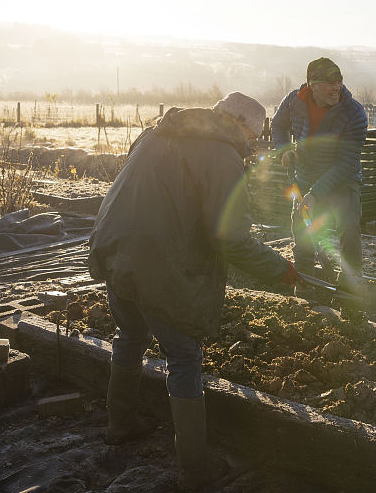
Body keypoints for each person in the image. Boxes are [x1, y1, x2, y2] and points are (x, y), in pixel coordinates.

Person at [87, 92, 300, 489]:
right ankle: (194, 471)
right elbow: (231, 238)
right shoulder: (222, 156)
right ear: (239, 125)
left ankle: (120, 425)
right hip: (155, 260)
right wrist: (279, 269)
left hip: (114, 249)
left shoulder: (156, 133)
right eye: (251, 138)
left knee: (129, 335)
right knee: (184, 357)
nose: (250, 146)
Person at [270, 57, 368, 294]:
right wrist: (284, 149)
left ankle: (351, 289)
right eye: (329, 83)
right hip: (305, 174)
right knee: (302, 228)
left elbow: (346, 162)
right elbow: (277, 125)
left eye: (339, 81)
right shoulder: (294, 101)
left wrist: (315, 194)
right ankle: (303, 283)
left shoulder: (354, 113)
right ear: (312, 85)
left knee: (349, 227)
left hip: (343, 178)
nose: (336, 87)